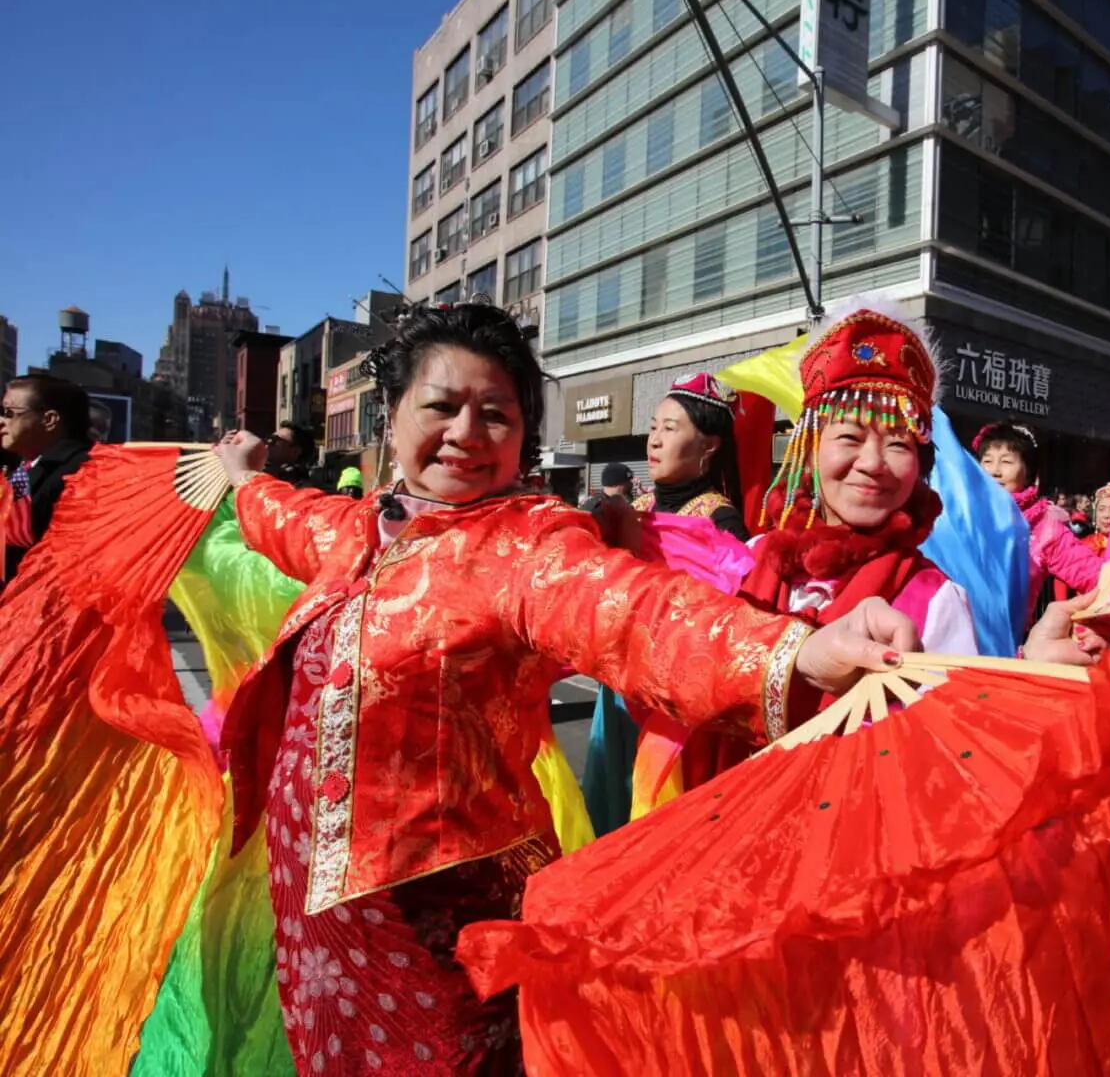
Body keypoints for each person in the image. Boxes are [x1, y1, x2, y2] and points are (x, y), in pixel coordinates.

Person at [209, 301, 910, 1075]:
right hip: (312, 913)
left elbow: (641, 617)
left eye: (496, 415)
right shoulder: (353, 531)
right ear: (393, 414)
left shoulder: (527, 546)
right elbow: (284, 515)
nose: (467, 434)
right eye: (441, 407)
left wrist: (803, 654)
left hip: (444, 924)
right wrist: (245, 481)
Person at [672, 302, 981, 792]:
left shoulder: (937, 599)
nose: (874, 462)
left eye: (899, 444)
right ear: (809, 449)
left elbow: (953, 759)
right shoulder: (747, 559)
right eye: (850, 436)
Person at [975, 421, 1101, 619]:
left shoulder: (1043, 527)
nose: (994, 471)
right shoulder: (956, 511)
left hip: (1000, 645)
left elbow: (1097, 579)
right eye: (987, 461)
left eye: (1006, 462)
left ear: (1028, 474)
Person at [0, 374, 94, 581]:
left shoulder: (83, 471)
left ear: (49, 420)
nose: (1, 422)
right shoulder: (21, 467)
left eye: (9, 413)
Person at [636, 372, 750, 542]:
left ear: (709, 445)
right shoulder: (636, 509)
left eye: (669, 428)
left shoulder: (721, 522)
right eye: (653, 427)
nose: (654, 441)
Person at [264, 421, 318, 487]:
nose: (269, 442)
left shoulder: (301, 488)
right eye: (270, 437)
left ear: (295, 451)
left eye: (275, 439)